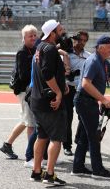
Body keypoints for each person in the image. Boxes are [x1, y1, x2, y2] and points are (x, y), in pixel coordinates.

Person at [72, 35, 110, 178]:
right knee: (94, 136)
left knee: (84, 136)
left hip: (87, 101)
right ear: (101, 48)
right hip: (85, 101)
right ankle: (97, 170)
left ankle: (78, 167)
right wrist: (103, 99)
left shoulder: (104, 62)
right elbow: (85, 84)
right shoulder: (94, 61)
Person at [29, 19, 68, 185]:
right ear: (52, 33)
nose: (62, 32)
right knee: (56, 138)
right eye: (59, 30)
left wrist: (62, 83)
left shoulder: (40, 47)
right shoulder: (51, 49)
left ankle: (37, 171)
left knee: (42, 136)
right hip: (50, 101)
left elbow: (46, 71)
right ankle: (49, 174)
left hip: (37, 99)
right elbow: (47, 73)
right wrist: (59, 92)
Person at [0, 25, 38, 160]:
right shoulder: (22, 52)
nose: (33, 37)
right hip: (23, 91)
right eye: (30, 36)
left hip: (29, 90)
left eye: (34, 35)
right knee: (31, 123)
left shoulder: (33, 49)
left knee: (25, 120)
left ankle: (7, 144)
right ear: (24, 38)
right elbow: (23, 75)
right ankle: (31, 155)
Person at [62, 31, 90, 156]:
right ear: (74, 39)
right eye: (79, 39)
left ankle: (80, 140)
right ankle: (67, 146)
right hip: (68, 89)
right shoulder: (65, 54)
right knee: (67, 118)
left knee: (84, 117)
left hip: (82, 90)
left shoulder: (89, 56)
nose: (81, 42)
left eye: (84, 40)